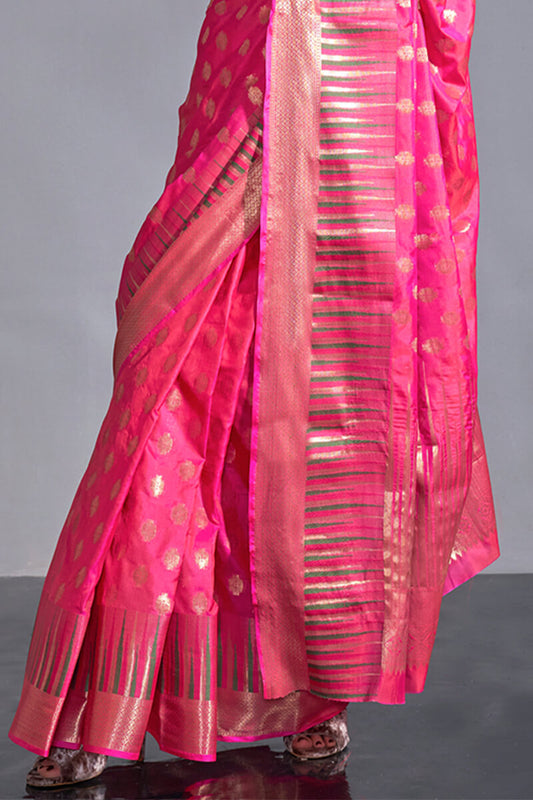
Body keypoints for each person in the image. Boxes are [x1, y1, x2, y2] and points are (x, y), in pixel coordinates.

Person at [11, 0, 500, 789]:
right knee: (173, 388)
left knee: (336, 422)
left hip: (370, 107)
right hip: (260, 77)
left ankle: (311, 697)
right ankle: (97, 708)